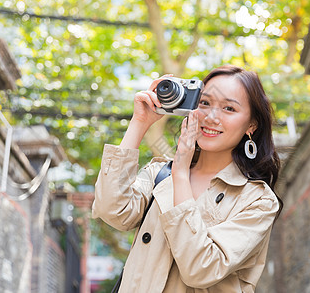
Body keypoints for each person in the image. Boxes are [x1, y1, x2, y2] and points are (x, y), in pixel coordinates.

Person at [92, 65, 283, 292]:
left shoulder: (257, 200)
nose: (211, 117)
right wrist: (140, 122)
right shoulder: (160, 174)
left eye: (229, 108)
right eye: (205, 103)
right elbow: (112, 211)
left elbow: (200, 269)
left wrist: (181, 174)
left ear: (251, 125)